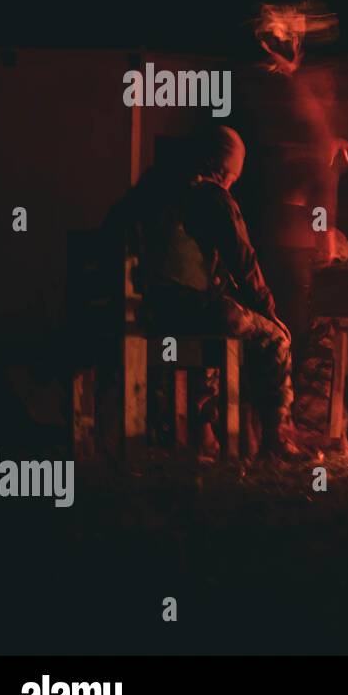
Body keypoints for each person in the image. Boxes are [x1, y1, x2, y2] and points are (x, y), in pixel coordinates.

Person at [109, 126, 301, 460]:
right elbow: (244, 262)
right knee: (271, 338)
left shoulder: (147, 191)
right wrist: (270, 312)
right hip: (189, 311)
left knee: (214, 320)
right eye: (231, 177)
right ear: (222, 170)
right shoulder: (211, 196)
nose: (230, 184)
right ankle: (277, 437)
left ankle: (202, 434)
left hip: (146, 315)